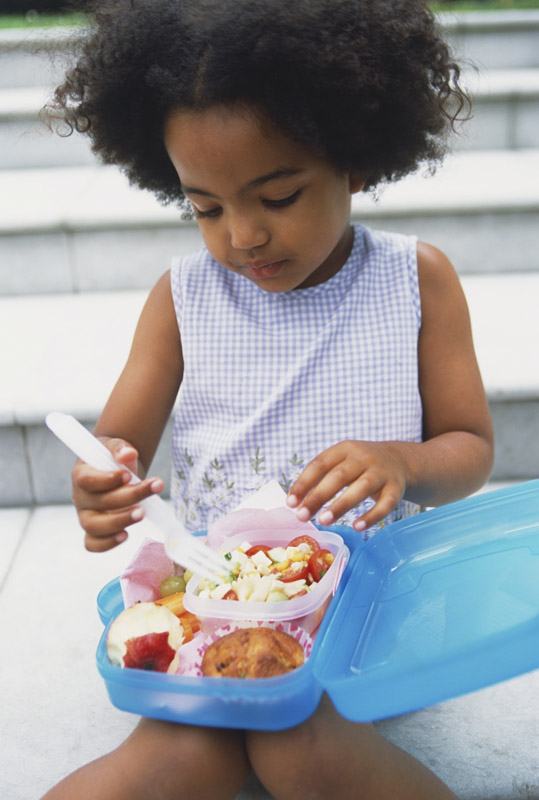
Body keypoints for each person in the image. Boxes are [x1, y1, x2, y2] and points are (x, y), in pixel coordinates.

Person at [43, 0, 494, 797]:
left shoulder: (413, 282)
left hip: (369, 596)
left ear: (354, 161)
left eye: (277, 197)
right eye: (205, 207)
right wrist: (104, 479)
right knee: (183, 756)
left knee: (298, 748)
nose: (240, 236)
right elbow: (118, 441)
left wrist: (401, 461)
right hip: (218, 597)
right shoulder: (182, 297)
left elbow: (467, 450)